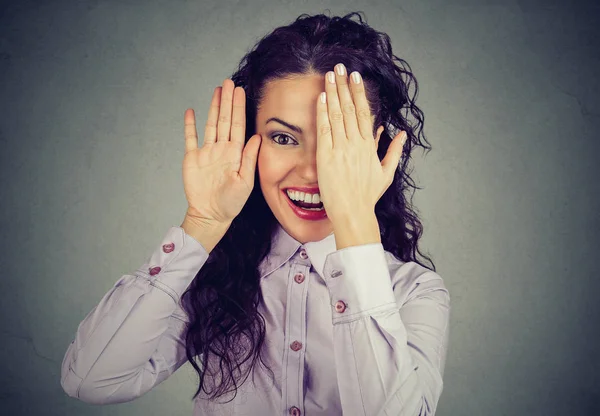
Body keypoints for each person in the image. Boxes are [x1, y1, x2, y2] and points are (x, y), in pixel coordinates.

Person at [60, 11, 450, 416]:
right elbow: (89, 380)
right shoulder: (214, 276)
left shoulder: (415, 292)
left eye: (337, 142)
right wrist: (203, 223)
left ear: (377, 148)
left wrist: (355, 220)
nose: (311, 170)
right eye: (284, 138)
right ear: (252, 141)